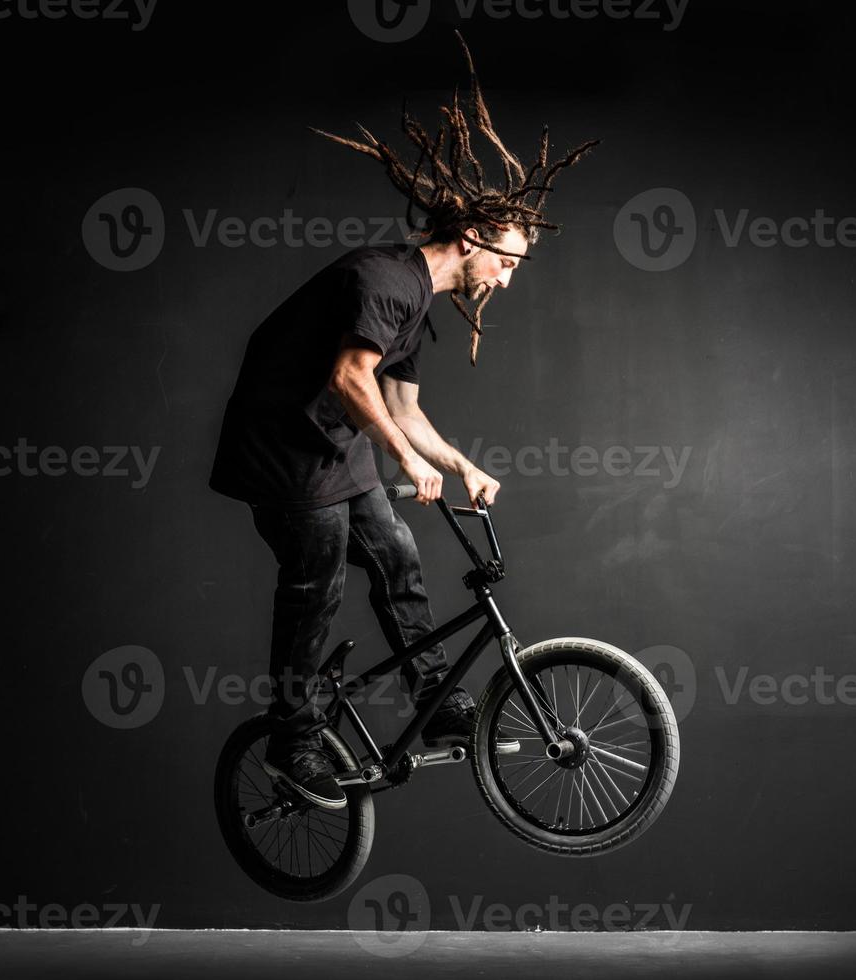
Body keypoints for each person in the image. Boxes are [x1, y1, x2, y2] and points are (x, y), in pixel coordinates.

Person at [208, 31, 597, 810]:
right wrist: (406, 464)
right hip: (282, 452)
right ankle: (291, 743)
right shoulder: (382, 280)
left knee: (399, 557)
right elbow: (351, 378)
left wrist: (454, 462)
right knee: (312, 590)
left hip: (337, 448)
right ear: (475, 237)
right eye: (509, 262)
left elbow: (403, 409)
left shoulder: (421, 308)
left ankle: (438, 703)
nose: (509, 279)